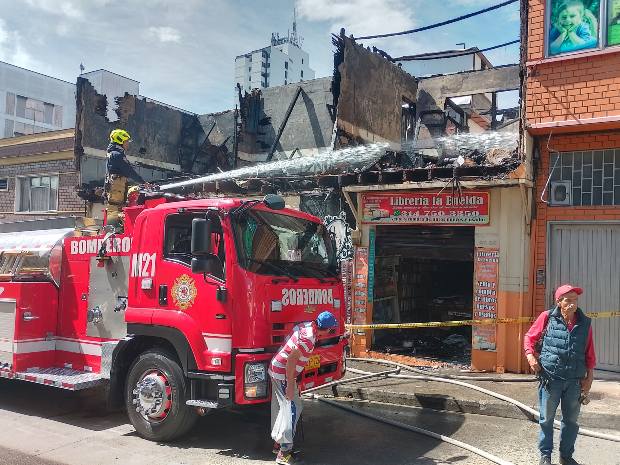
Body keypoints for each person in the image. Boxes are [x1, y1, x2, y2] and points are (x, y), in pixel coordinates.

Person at [524, 284, 596, 465]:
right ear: (559, 302)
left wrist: (590, 377)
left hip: (574, 381)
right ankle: (545, 455)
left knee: (571, 421)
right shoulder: (547, 317)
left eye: (575, 300)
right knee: (546, 419)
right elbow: (529, 338)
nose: (572, 304)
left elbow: (589, 352)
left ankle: (566, 456)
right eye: (568, 300)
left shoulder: (585, 323)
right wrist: (530, 356)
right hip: (550, 378)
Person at [268, 311, 338, 465]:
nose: (330, 332)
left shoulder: (306, 327)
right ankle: (284, 453)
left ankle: (278, 444)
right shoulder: (308, 339)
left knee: (282, 408)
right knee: (292, 409)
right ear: (326, 329)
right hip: (283, 373)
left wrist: (294, 380)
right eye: (331, 329)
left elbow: (291, 347)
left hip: (278, 369)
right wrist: (290, 384)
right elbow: (291, 360)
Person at [104, 129, 145, 228]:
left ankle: (114, 229)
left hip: (116, 188)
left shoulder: (113, 154)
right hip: (116, 189)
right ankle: (113, 230)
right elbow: (129, 171)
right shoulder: (117, 155)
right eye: (126, 141)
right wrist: (143, 182)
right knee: (115, 211)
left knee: (115, 210)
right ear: (120, 141)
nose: (128, 144)